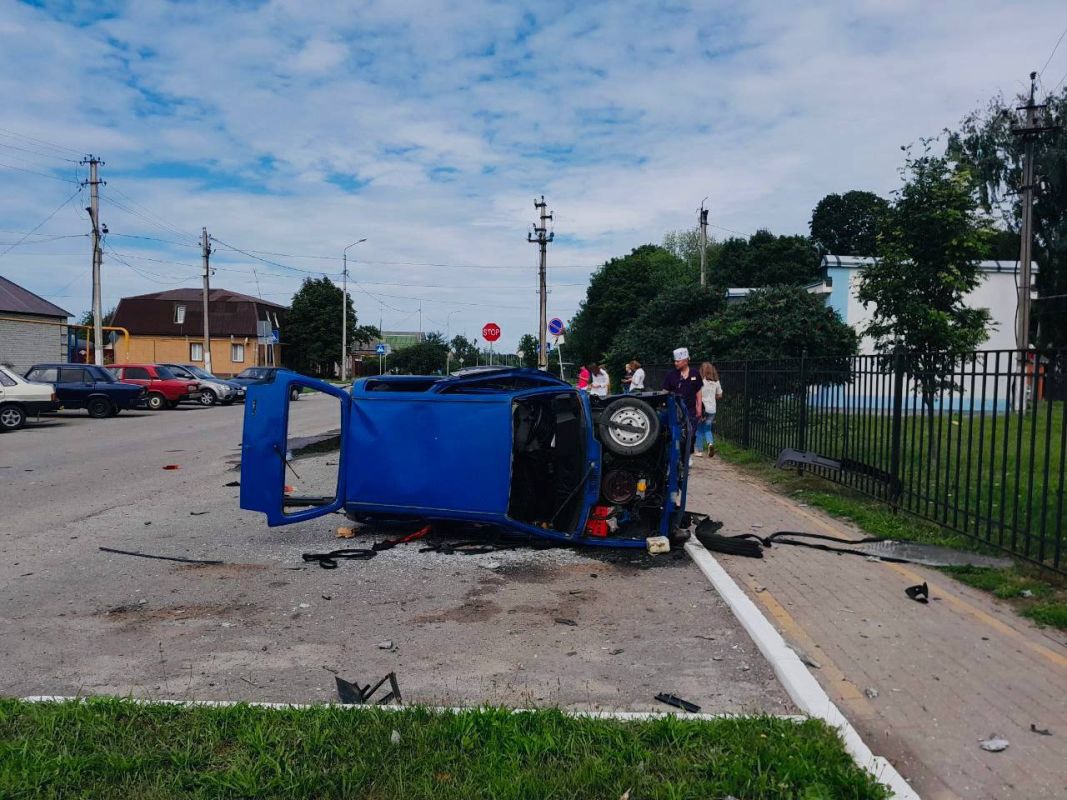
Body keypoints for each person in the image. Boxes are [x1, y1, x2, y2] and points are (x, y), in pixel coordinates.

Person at [662, 347, 702, 463]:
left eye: (678, 361)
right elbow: (664, 390)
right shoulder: (671, 375)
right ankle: (676, 457)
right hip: (676, 410)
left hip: (690, 409)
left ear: (685, 361)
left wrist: (699, 406)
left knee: (691, 434)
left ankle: (687, 455)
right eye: (675, 361)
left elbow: (698, 391)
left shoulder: (695, 373)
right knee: (677, 434)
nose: (675, 363)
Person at [695, 362, 723, 457]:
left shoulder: (700, 381)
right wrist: (712, 397)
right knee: (708, 429)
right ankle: (710, 444)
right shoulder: (716, 382)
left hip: (702, 408)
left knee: (698, 429)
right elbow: (719, 395)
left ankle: (699, 451)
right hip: (712, 410)